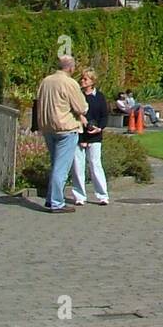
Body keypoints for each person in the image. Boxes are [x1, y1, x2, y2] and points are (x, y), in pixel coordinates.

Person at [33, 55, 89, 213]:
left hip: (48, 127)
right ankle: (57, 202)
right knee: (61, 168)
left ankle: (51, 198)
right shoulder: (69, 83)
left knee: (55, 164)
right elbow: (81, 107)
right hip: (65, 127)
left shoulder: (46, 81)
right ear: (71, 67)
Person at [70, 68, 110, 205]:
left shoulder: (99, 97)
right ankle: (80, 196)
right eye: (82, 78)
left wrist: (99, 128)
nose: (82, 81)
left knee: (95, 164)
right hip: (79, 134)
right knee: (78, 166)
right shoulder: (77, 96)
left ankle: (102, 195)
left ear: (92, 81)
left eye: (85, 79)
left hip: (95, 135)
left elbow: (104, 116)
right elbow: (73, 113)